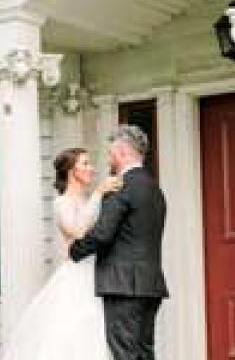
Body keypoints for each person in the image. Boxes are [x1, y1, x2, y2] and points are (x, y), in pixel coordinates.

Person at [0, 148, 120, 360]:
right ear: (72, 171)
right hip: (77, 277)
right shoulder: (61, 202)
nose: (92, 168)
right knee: (73, 333)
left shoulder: (91, 200)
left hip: (98, 272)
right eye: (85, 163)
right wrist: (99, 194)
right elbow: (77, 230)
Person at [70, 125, 168, 360]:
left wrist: (76, 250)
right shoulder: (155, 189)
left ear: (123, 152)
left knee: (124, 354)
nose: (109, 158)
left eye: (111, 152)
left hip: (123, 285)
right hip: (150, 283)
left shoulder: (121, 186)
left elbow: (103, 234)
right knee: (144, 353)